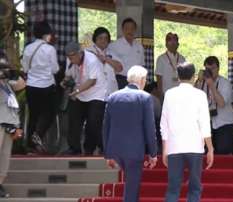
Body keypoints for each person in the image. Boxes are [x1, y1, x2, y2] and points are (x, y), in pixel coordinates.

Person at [103, 65, 158, 202]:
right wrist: (153, 153)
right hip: (134, 150)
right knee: (132, 190)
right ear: (142, 79)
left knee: (130, 186)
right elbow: (150, 128)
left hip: (115, 149)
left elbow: (106, 127)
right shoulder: (145, 97)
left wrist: (107, 153)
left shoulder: (113, 97)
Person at [161, 62, 214, 202]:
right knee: (195, 188)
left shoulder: (169, 94)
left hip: (174, 147)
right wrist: (210, 148)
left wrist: (164, 149)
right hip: (194, 146)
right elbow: (204, 124)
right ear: (194, 76)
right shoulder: (200, 95)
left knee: (173, 188)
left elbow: (164, 124)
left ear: (177, 76)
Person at [62, 42, 107, 155]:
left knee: (93, 122)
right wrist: (64, 82)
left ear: (80, 53)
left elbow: (92, 81)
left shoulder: (91, 60)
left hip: (96, 93)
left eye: (73, 56)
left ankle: (92, 148)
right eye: (69, 57)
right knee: (74, 119)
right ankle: (74, 148)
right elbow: (69, 75)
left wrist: (76, 91)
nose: (71, 59)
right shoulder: (70, 60)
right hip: (80, 92)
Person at [21, 21, 59, 153]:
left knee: (33, 115)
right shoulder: (50, 49)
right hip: (47, 86)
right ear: (46, 35)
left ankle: (30, 147)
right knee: (49, 113)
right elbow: (55, 69)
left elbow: (25, 68)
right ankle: (37, 135)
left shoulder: (27, 48)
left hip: (31, 86)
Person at [197, 56, 233, 154]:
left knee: (222, 151)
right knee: (206, 151)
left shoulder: (225, 83)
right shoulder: (202, 83)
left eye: (213, 68)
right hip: (207, 123)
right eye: (207, 69)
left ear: (218, 68)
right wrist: (198, 81)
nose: (210, 71)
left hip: (224, 123)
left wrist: (212, 86)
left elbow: (221, 103)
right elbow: (193, 98)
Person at [0, 50, 24, 197]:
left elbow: (21, 85)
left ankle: (0, 184)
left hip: (10, 121)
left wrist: (12, 74)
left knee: (5, 154)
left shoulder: (7, 82)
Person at [108, 18, 145, 89]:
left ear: (135, 30)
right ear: (122, 29)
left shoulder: (139, 46)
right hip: (121, 80)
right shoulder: (114, 45)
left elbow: (141, 65)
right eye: (127, 28)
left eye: (132, 28)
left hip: (136, 81)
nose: (129, 31)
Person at [87, 27, 122, 97]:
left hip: (111, 92)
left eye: (106, 38)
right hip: (94, 94)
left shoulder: (112, 53)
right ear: (95, 39)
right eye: (100, 38)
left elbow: (120, 68)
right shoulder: (88, 52)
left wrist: (106, 59)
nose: (103, 40)